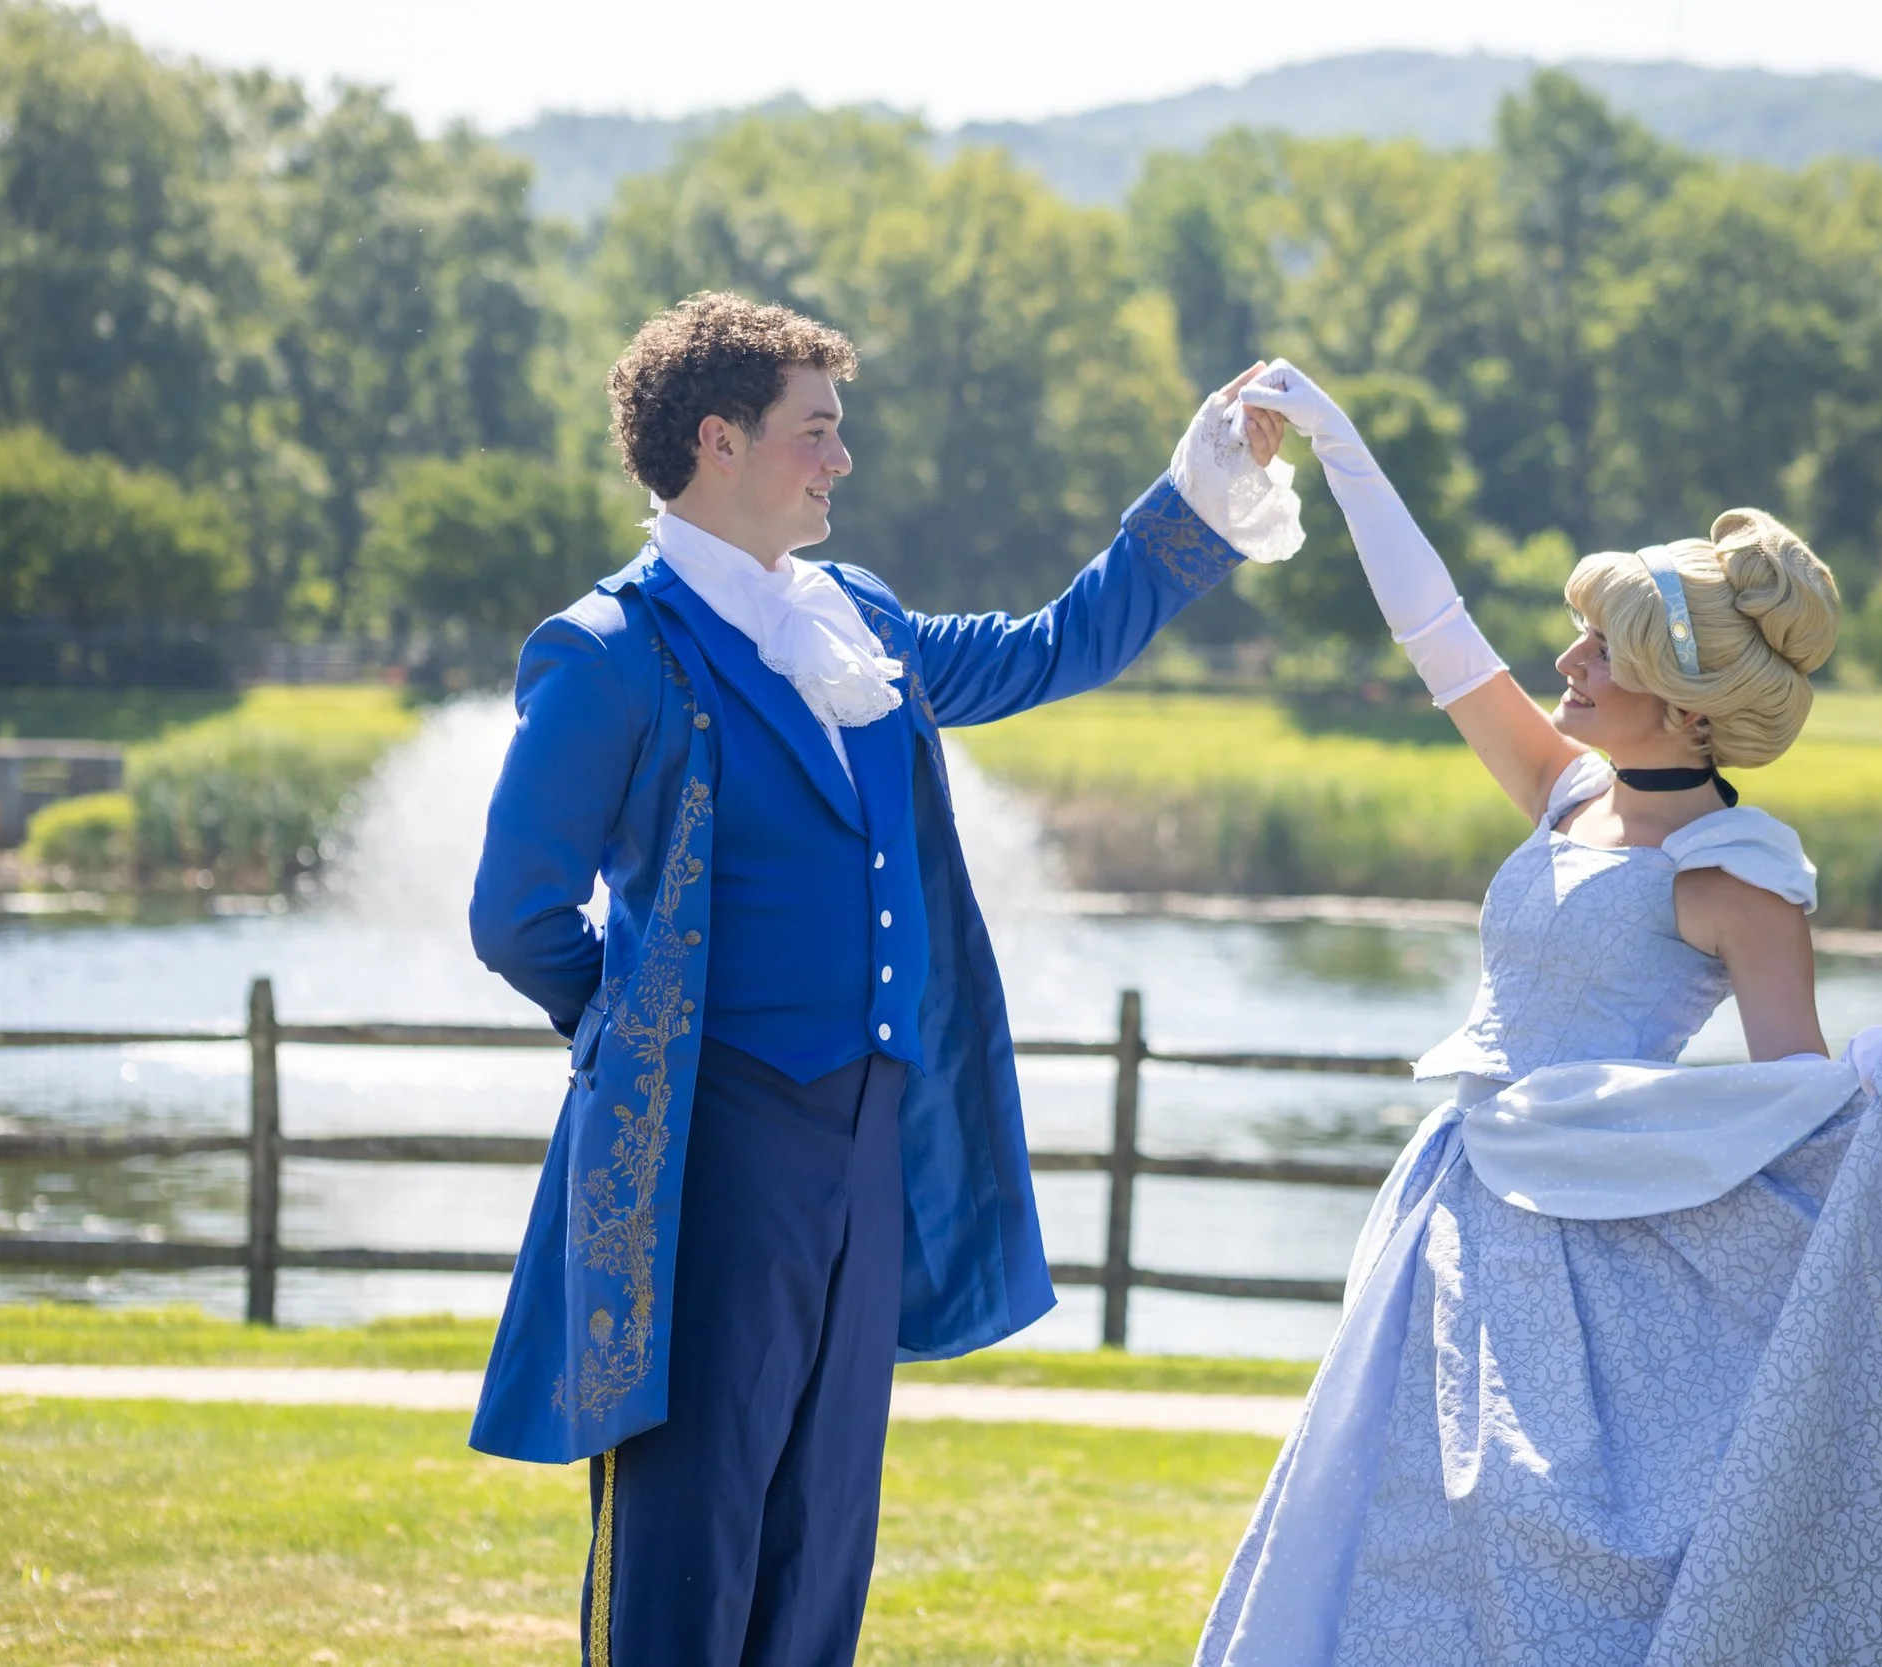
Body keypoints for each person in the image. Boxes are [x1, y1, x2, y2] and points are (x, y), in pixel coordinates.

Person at [1196, 361, 1882, 1665]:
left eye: (1599, 650)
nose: (1565, 662)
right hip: (1459, 1207)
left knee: (1554, 1535)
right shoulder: (1566, 790)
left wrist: (1869, 1101)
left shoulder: (1735, 871)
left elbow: (1789, 1112)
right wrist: (1342, 446)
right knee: (1410, 1520)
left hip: (1598, 1246)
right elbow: (1436, 628)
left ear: (1683, 702)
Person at [462, 291, 1300, 1667]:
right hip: (710, 1144)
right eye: (819, 431)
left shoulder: (857, 618)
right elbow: (517, 914)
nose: (841, 459)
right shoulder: (611, 650)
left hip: (868, 1142)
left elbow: (1051, 645)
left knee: (821, 1530)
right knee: (691, 1530)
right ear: (719, 442)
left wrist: (1206, 485)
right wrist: (648, 1027)